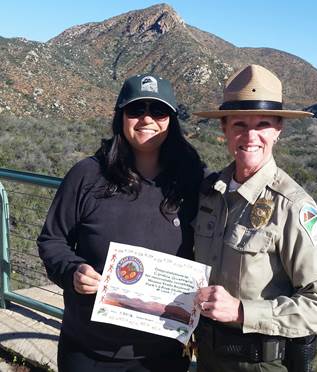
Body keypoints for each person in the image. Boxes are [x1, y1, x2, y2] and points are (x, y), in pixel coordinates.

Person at [38, 73, 204, 372]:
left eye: (159, 110)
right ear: (120, 116)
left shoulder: (193, 180)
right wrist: (73, 271)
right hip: (89, 350)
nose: (147, 119)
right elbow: (52, 240)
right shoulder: (87, 175)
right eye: (136, 110)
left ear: (172, 120)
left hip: (164, 353)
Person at [193, 65, 317, 372]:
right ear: (224, 130)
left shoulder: (293, 206)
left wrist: (242, 312)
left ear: (278, 131)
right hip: (207, 356)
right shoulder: (210, 194)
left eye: (262, 124)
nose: (250, 136)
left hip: (260, 362)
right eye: (238, 124)